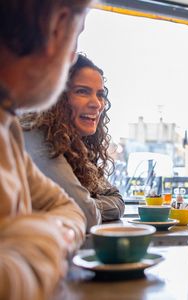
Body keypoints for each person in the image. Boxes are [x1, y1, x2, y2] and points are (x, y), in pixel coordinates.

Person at [0, 0, 91, 299]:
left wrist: (25, 238)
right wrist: (50, 239)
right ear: (57, 27)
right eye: (76, 35)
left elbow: (70, 208)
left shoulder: (8, 127)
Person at [21, 54, 125, 231]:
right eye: (82, 91)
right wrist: (89, 205)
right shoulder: (38, 138)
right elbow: (88, 215)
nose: (97, 104)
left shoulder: (73, 145)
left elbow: (116, 197)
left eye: (100, 94)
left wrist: (89, 204)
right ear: (55, 96)